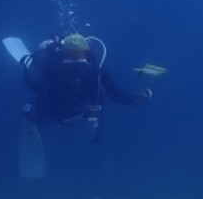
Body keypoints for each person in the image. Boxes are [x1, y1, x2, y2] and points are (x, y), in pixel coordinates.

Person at [20, 32, 152, 138]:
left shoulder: (95, 68)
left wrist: (135, 98)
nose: (75, 68)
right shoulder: (53, 69)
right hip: (59, 103)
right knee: (43, 120)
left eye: (78, 60)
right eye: (70, 60)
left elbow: (113, 91)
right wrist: (81, 113)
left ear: (87, 56)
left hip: (78, 104)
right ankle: (30, 110)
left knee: (99, 96)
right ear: (62, 56)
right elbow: (51, 105)